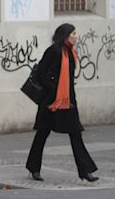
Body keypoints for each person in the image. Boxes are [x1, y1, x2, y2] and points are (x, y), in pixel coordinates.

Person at [25, 23, 99, 182]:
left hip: (68, 102)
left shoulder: (71, 52)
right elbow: (40, 73)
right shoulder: (54, 51)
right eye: (73, 33)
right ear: (65, 35)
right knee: (42, 134)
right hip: (51, 102)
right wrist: (53, 89)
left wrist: (68, 95)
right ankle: (33, 168)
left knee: (75, 134)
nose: (76, 36)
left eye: (75, 33)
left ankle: (85, 171)